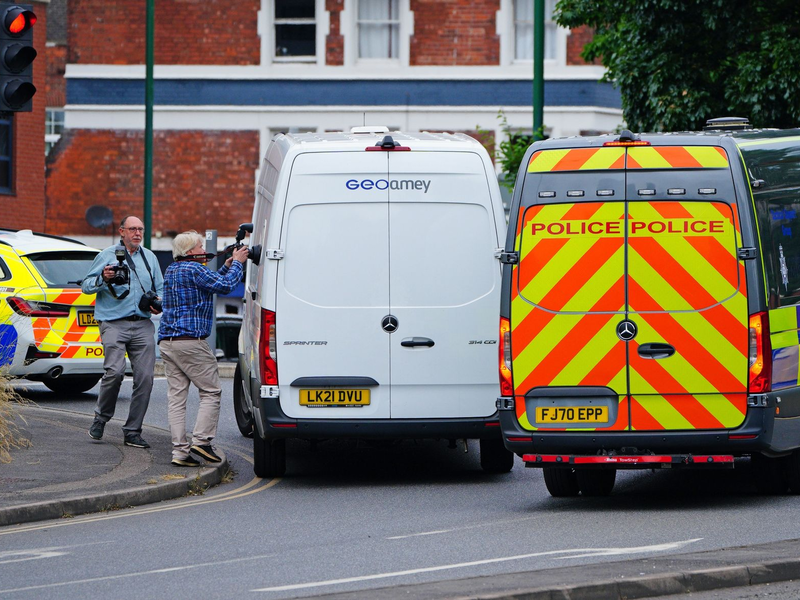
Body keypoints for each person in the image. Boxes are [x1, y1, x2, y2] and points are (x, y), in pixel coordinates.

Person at [158, 231, 248, 467]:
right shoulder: (195, 269)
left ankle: (180, 453)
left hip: (167, 342)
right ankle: (202, 441)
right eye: (199, 247)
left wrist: (226, 267)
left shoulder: (172, 270)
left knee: (177, 398)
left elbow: (207, 286)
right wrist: (238, 263)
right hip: (191, 342)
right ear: (189, 252)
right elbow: (227, 287)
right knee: (211, 392)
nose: (203, 250)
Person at [82, 215, 163, 448]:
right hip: (113, 323)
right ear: (122, 231)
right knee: (115, 372)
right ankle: (101, 418)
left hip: (143, 323)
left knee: (146, 379)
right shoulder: (106, 255)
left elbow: (163, 288)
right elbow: (87, 286)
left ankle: (133, 431)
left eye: (141, 229)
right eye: (133, 229)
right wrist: (103, 278)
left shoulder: (150, 258)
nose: (137, 233)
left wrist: (159, 301)